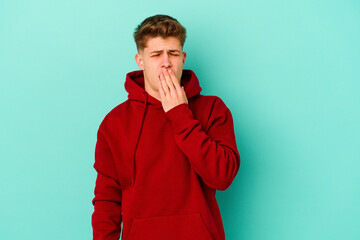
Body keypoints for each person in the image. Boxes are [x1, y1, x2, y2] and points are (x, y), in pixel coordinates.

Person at [91, 14, 241, 240]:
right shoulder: (114, 123)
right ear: (140, 61)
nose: (166, 62)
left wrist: (180, 114)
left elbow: (222, 176)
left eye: (173, 53)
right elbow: (106, 201)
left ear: (183, 57)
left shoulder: (213, 110)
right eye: (156, 54)